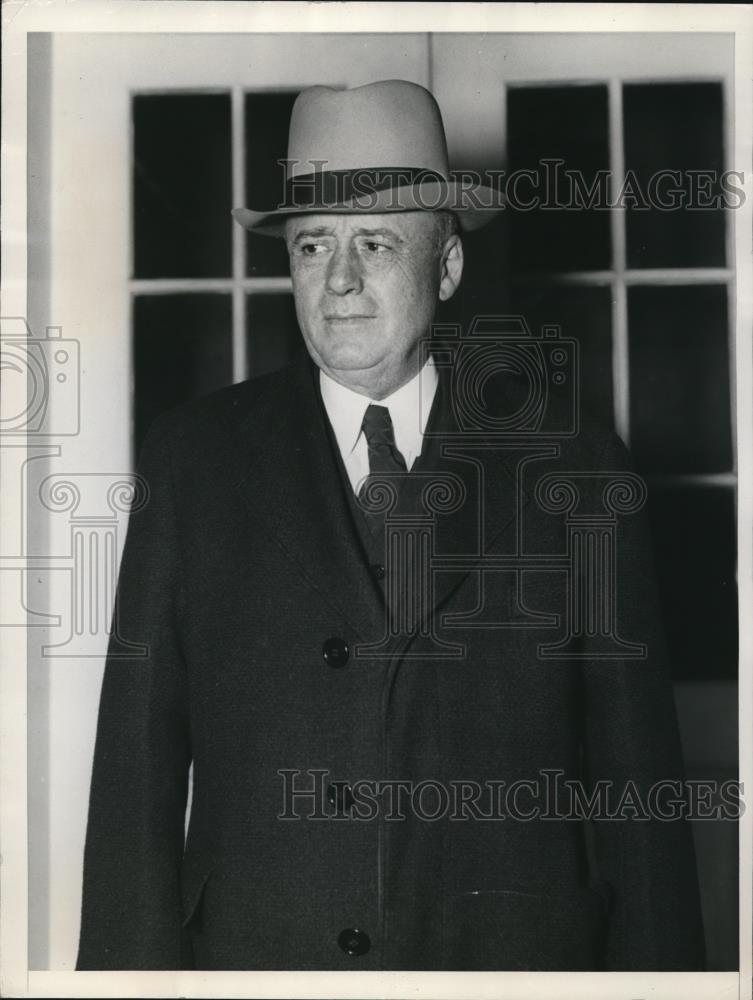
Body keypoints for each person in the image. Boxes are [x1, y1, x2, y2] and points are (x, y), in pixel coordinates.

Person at [76, 79, 704, 971]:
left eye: (374, 243)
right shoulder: (195, 465)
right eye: (311, 247)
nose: (338, 281)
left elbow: (643, 799)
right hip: (261, 964)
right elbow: (132, 777)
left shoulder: (575, 469)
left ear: (445, 265)